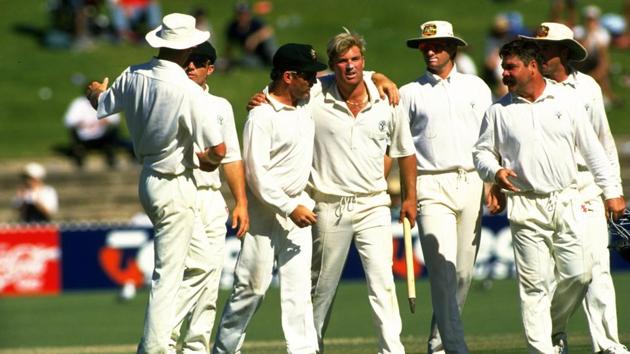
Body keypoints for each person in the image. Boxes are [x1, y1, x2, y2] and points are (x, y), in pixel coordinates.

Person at [472, 39, 625, 354]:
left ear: (531, 66)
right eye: (503, 68)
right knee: (533, 287)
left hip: (568, 200)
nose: (505, 74)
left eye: (511, 67)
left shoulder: (565, 101)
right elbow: (482, 152)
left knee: (581, 274)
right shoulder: (498, 110)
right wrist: (494, 173)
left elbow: (593, 151)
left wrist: (612, 192)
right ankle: (542, 348)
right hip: (526, 205)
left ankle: (553, 327)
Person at [85, 13, 226, 354]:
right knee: (170, 275)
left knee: (205, 265)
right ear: (189, 47)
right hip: (175, 184)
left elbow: (102, 105)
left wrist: (96, 92)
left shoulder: (133, 73)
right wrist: (205, 161)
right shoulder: (187, 90)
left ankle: (157, 340)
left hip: (149, 179)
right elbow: (218, 150)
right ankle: (153, 347)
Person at [519, 22, 629, 354]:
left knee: (597, 269)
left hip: (586, 184)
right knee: (559, 272)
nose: (538, 54)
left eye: (545, 48)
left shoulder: (589, 88)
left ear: (564, 52)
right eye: (535, 48)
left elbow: (603, 141)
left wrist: (614, 190)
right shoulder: (527, 89)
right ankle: (553, 335)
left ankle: (607, 344)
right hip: (547, 188)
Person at [213, 43, 327, 354]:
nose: (315, 82)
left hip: (298, 205)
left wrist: (379, 79)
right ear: (289, 76)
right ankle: (224, 349)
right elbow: (257, 175)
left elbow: (342, 77)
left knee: (298, 288)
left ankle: (303, 350)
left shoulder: (306, 98)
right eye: (308, 77)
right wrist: (290, 208)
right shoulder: (261, 116)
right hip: (265, 212)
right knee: (251, 287)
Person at [309, 31, 417, 354]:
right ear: (332, 66)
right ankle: (309, 347)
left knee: (383, 284)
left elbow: (405, 151)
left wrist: (410, 197)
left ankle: (391, 350)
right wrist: (262, 98)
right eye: (342, 61)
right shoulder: (315, 96)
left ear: (364, 62)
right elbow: (284, 88)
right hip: (329, 205)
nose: (350, 66)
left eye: (356, 59)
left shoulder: (388, 98)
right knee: (321, 288)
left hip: (374, 204)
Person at [400, 20, 493, 354]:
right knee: (442, 270)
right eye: (426, 46)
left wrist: (491, 181)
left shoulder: (477, 87)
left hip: (471, 180)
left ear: (453, 48)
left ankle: (438, 344)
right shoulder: (409, 93)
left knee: (464, 273)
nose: (431, 51)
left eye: (437, 45)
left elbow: (489, 139)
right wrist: (408, 195)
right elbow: (401, 148)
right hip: (430, 184)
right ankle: (453, 347)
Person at [169, 40, 250, 353]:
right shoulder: (170, 99)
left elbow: (230, 157)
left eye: (199, 61)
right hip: (180, 192)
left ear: (210, 69)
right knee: (187, 271)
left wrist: (240, 202)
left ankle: (196, 347)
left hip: (212, 197)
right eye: (187, 60)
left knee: (211, 277)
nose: (191, 66)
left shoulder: (220, 106)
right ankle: (163, 338)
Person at [63, 93, 133, 168]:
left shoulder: (105, 102)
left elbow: (115, 120)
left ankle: (112, 160)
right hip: (83, 136)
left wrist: (101, 122)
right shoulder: (78, 104)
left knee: (114, 132)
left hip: (102, 136)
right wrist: (85, 124)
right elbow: (69, 121)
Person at [573, 5, 618, 106]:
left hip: (595, 61)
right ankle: (609, 96)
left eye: (592, 20)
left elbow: (603, 53)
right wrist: (589, 34)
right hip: (581, 61)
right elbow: (581, 51)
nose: (590, 22)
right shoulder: (579, 31)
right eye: (588, 20)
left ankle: (607, 95)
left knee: (603, 65)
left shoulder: (602, 34)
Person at [223, 2, 277, 69]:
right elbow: (229, 46)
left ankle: (276, 62)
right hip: (254, 56)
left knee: (269, 41)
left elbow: (269, 31)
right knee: (246, 62)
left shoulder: (256, 23)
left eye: (245, 14)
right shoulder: (233, 27)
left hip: (266, 51)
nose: (242, 17)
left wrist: (254, 38)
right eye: (240, 14)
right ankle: (266, 65)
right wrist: (226, 60)